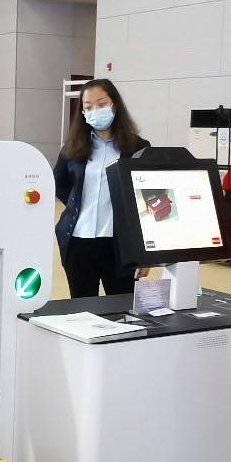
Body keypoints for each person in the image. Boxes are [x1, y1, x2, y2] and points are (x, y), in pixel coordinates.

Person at [53, 79, 150, 298]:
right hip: (79, 240)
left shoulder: (138, 148)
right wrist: (78, 203)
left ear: (114, 104)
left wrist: (144, 254)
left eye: (101, 104)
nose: (95, 111)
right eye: (88, 107)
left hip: (120, 244)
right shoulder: (72, 148)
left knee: (122, 306)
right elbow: (60, 183)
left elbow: (146, 199)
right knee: (82, 307)